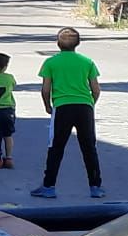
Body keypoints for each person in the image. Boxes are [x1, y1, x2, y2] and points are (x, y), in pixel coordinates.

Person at [30, 27, 104, 200]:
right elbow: (96, 89)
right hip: (84, 107)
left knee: (56, 146)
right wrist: (91, 103)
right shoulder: (87, 62)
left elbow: (45, 89)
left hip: (62, 107)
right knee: (89, 146)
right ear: (78, 43)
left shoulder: (51, 63)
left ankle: (49, 186)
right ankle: (95, 186)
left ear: (57, 43)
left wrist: (47, 105)